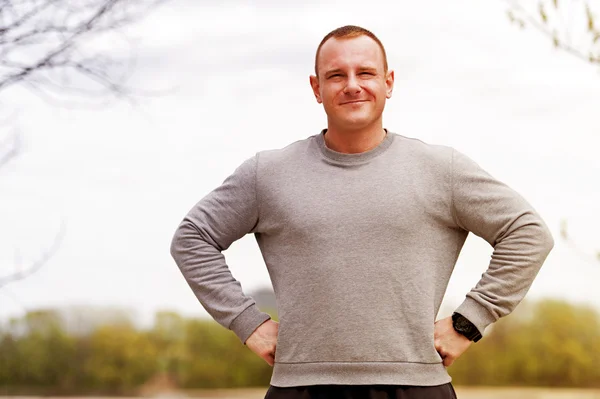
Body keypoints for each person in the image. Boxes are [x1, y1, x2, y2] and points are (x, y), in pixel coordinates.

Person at [170, 25, 554, 399]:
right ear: (316, 88)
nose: (352, 85)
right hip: (300, 386)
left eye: (365, 73)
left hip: (416, 384)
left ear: (388, 82)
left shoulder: (441, 170)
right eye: (336, 75)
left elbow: (528, 233)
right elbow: (191, 238)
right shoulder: (267, 174)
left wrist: (469, 322)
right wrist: (248, 322)